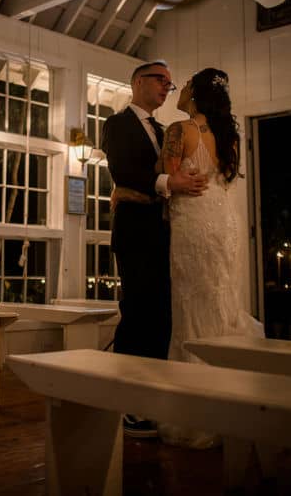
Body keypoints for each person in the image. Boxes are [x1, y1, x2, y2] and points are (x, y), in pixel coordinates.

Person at [158, 67, 266, 449]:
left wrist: (169, 182)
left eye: (185, 85)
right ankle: (230, 402)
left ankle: (196, 414)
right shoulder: (229, 136)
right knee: (221, 304)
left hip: (195, 225)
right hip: (226, 225)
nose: (180, 89)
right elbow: (224, 180)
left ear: (196, 94)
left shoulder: (179, 130)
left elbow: (165, 177)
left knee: (191, 309)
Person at [101, 60, 208, 438]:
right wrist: (167, 183)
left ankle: (154, 395)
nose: (166, 87)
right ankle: (129, 404)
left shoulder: (165, 131)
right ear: (137, 82)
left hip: (166, 234)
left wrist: (178, 183)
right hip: (135, 234)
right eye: (160, 80)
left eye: (169, 82)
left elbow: (163, 175)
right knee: (137, 314)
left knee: (163, 317)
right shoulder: (116, 124)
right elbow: (125, 171)